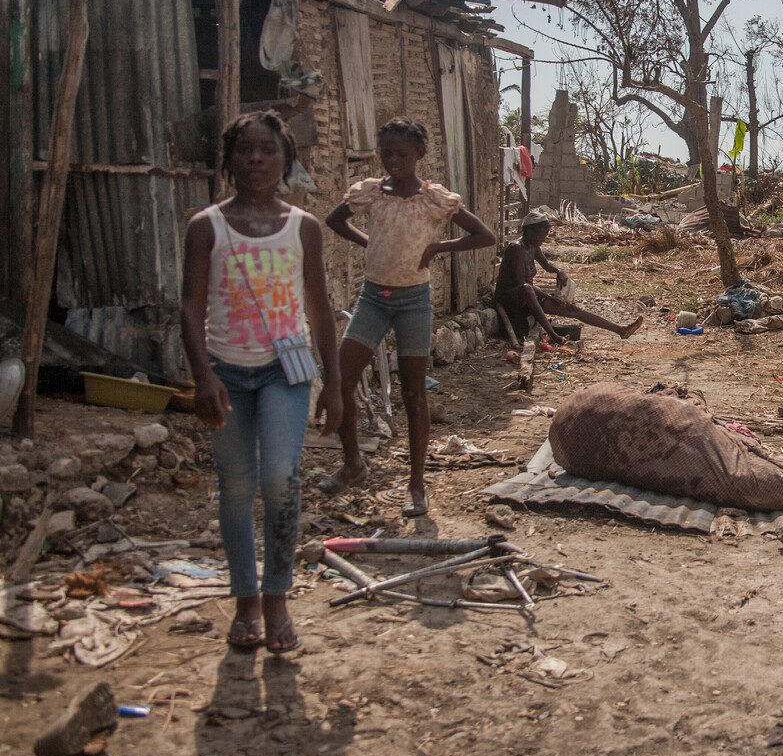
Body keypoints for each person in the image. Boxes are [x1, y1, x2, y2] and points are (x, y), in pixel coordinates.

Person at [180, 111, 342, 655]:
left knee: (280, 476)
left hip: (286, 371)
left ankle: (277, 596)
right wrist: (202, 376)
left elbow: (319, 308)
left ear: (285, 160)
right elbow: (190, 306)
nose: (255, 159)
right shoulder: (207, 226)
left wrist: (336, 386)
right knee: (235, 487)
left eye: (267, 150)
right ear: (228, 159)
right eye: (244, 150)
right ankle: (245, 599)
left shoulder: (304, 227)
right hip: (226, 371)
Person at [320, 117, 495, 517]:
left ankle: (416, 485)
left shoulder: (434, 200)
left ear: (420, 153)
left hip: (413, 301)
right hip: (373, 298)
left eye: (401, 153)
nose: (393, 160)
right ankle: (352, 463)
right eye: (387, 153)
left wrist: (436, 249)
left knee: (413, 394)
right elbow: (334, 221)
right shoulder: (371, 194)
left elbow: (485, 236)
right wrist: (371, 243)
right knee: (342, 381)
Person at [494, 210, 643, 347]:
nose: (543, 240)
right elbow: (522, 286)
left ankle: (620, 330)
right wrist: (549, 297)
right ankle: (553, 335)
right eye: (541, 236)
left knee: (572, 309)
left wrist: (559, 271)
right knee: (528, 289)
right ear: (530, 232)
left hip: (527, 297)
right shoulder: (517, 248)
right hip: (510, 298)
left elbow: (546, 265)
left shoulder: (532, 246)